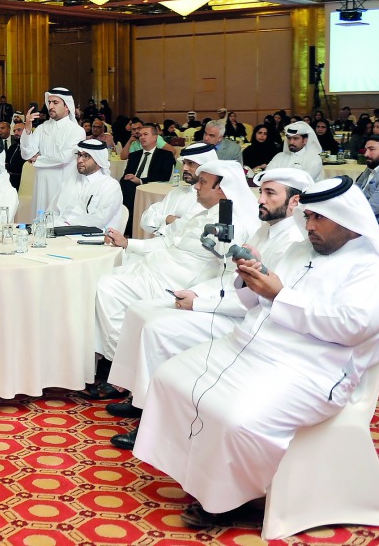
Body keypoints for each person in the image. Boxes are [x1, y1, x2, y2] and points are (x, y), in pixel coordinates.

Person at [134, 176, 379, 529]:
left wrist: (279, 294)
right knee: (169, 378)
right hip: (251, 348)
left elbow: (352, 328)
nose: (309, 226)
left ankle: (240, 498)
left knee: (238, 418)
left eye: (319, 219)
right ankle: (197, 474)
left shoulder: (375, 267)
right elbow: (256, 299)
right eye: (308, 217)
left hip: (313, 371)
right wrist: (252, 276)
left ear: (347, 220)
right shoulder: (302, 249)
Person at [104, 167, 314, 446]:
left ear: (294, 202)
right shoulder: (266, 231)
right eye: (261, 191)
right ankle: (138, 395)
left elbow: (257, 299)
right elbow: (231, 276)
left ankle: (150, 420)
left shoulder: (293, 242)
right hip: (228, 304)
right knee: (140, 313)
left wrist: (199, 304)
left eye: (269, 193)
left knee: (157, 329)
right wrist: (196, 293)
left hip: (247, 321)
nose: (260, 199)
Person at [84, 159, 259, 400]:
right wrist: (128, 243)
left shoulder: (230, 224)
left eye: (202, 182)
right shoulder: (201, 213)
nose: (196, 187)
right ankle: (111, 365)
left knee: (106, 288)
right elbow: (168, 241)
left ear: (222, 189)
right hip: (154, 268)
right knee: (98, 280)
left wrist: (198, 297)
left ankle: (120, 371)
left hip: (174, 283)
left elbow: (227, 275)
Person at [19, 87, 86, 215]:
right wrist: (27, 129)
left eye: (55, 103)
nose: (50, 106)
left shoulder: (76, 131)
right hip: (41, 184)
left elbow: (64, 158)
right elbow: (26, 154)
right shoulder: (42, 128)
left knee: (57, 222)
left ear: (67, 106)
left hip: (62, 183)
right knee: (39, 222)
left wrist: (38, 158)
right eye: (49, 102)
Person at [135, 142, 218, 239]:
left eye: (190, 163)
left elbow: (186, 232)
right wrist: (167, 219)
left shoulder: (212, 199)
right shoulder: (177, 191)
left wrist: (161, 223)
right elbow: (145, 220)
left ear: (206, 166)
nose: (184, 168)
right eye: (184, 163)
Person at [52, 140, 123, 230]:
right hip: (60, 230)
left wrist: (67, 225)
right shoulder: (70, 181)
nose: (80, 160)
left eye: (86, 156)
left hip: (91, 236)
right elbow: (52, 210)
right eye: (79, 155)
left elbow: (99, 219)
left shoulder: (110, 186)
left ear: (98, 160)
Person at [119, 123, 176, 230]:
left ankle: (132, 226)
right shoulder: (134, 156)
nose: (142, 137)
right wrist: (129, 178)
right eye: (140, 135)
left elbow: (163, 177)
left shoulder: (165, 155)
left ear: (155, 137)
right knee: (124, 183)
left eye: (145, 134)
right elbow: (125, 175)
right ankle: (128, 225)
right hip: (131, 187)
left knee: (129, 187)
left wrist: (140, 180)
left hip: (152, 187)